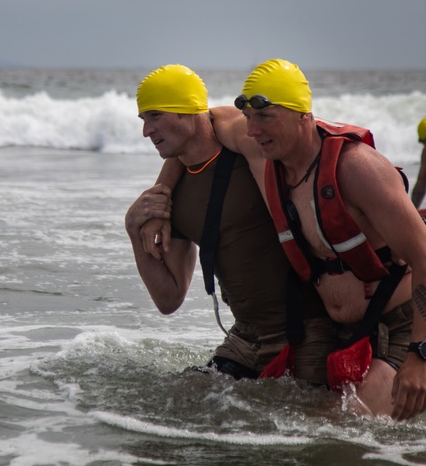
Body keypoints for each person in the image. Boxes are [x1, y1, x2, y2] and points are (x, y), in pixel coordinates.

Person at [152, 59, 426, 421]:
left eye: (266, 117)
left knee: (337, 436)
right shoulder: (268, 160)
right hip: (346, 333)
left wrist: (421, 355)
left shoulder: (356, 168)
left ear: (303, 115)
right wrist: (162, 190)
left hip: (403, 328)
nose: (253, 130)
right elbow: (196, 123)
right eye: (248, 118)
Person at [124, 64, 323, 380]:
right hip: (245, 338)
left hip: (308, 330)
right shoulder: (174, 193)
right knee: (182, 401)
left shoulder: (252, 147)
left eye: (155, 116)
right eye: (144, 119)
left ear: (188, 111)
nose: (146, 131)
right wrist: (134, 229)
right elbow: (169, 298)